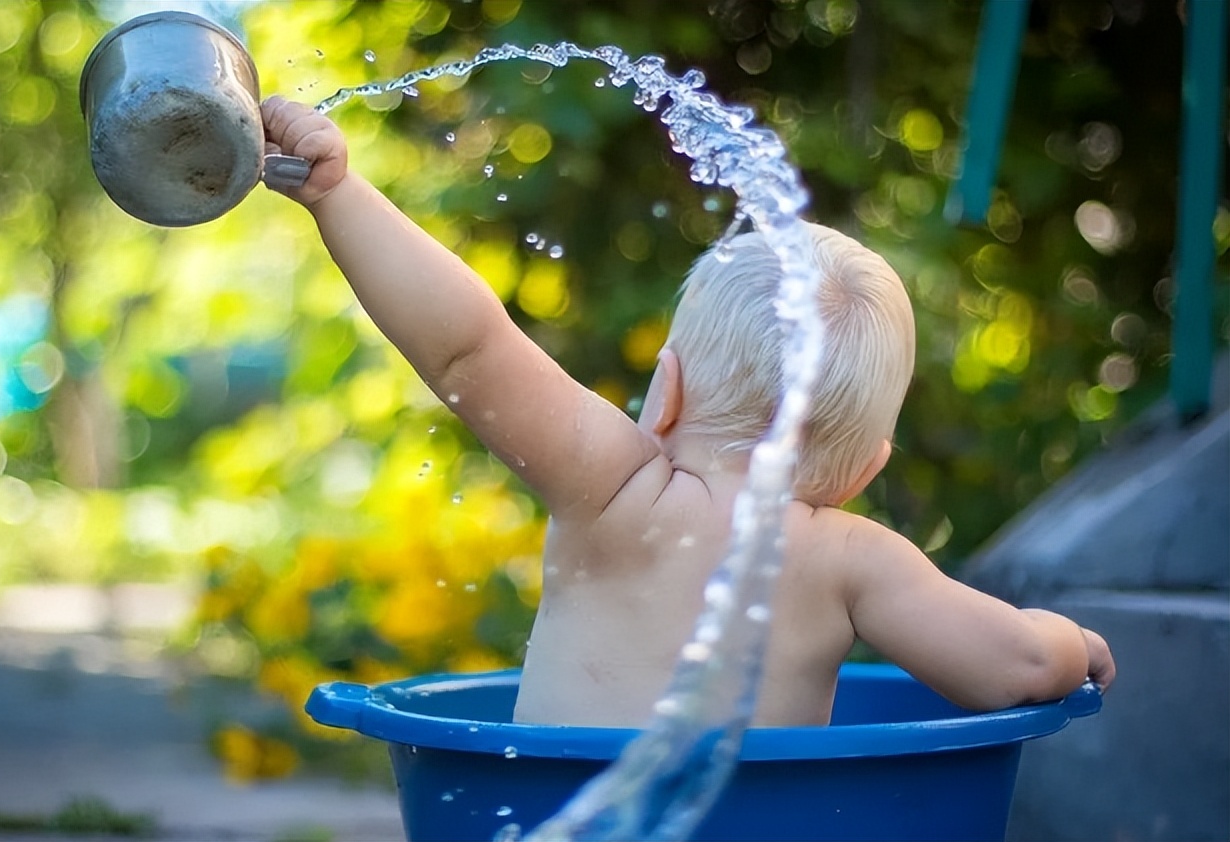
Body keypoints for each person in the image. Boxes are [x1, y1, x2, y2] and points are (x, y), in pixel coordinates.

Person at [261, 96, 1116, 728]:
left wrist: (337, 192)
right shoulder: (854, 561)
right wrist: (1074, 644)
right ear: (866, 469)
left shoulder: (615, 491)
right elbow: (1018, 667)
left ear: (663, 391)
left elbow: (469, 348)